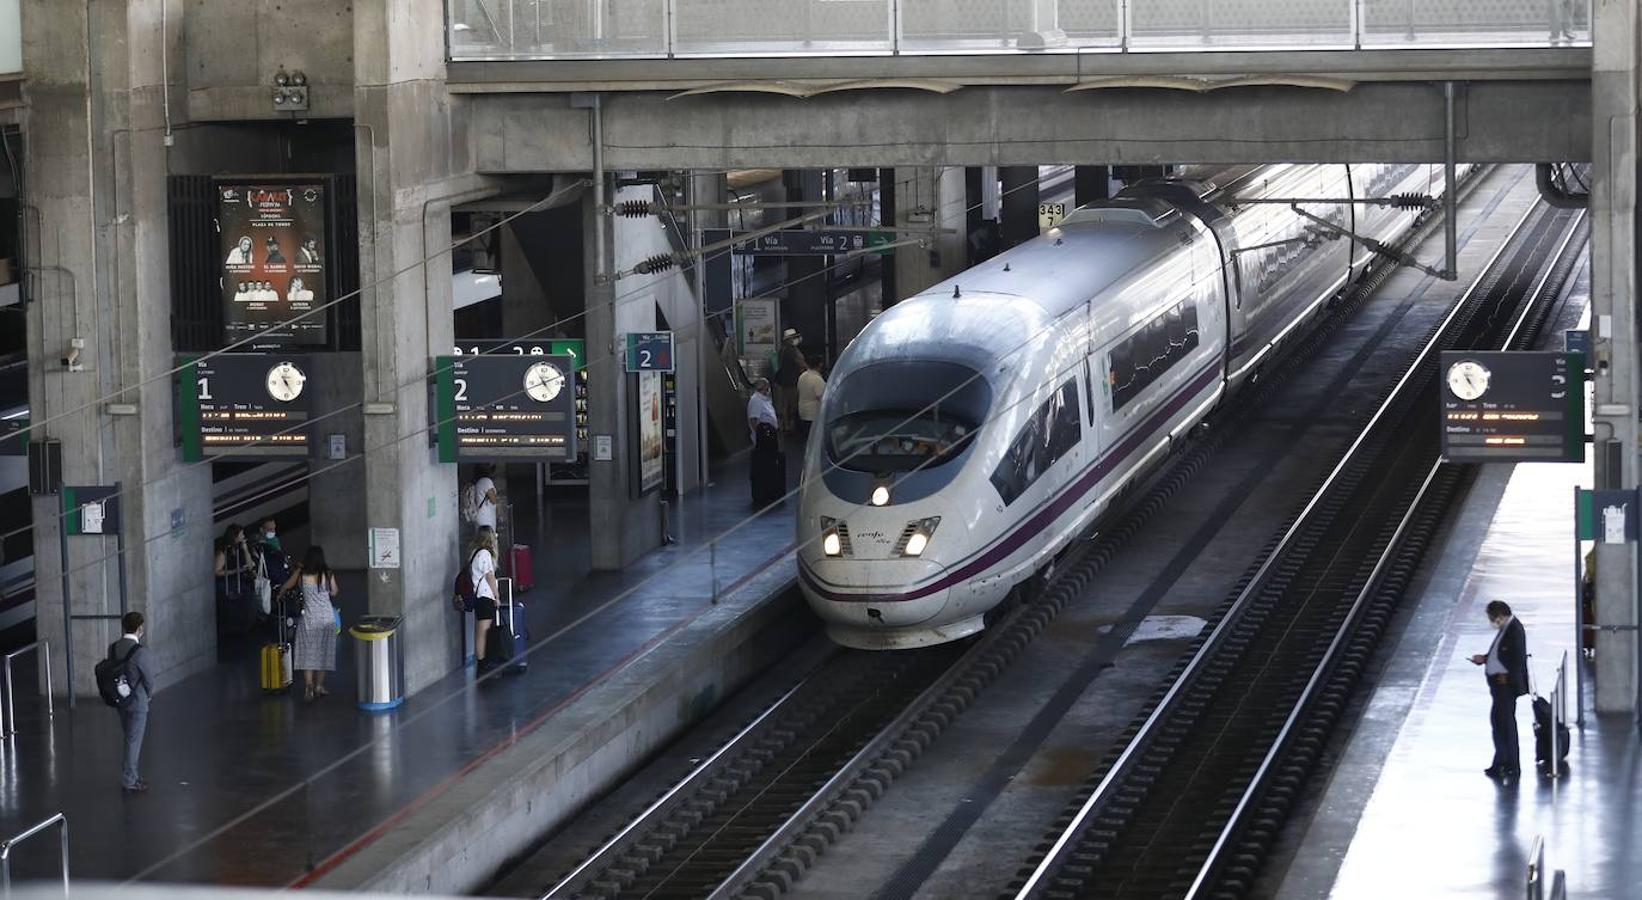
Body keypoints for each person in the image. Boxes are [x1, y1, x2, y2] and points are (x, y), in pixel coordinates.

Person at [1469, 600, 1529, 780]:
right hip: (1499, 685)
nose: (1492, 622)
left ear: (1500, 616)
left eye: (1492, 618)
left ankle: (1510, 765)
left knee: (1505, 725)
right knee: (1499, 723)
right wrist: (1486, 659)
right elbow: (1502, 653)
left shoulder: (1514, 630)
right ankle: (1501, 762)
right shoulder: (1507, 628)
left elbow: (1517, 660)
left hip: (1505, 686)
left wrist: (1506, 677)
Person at [281, 545, 340, 701]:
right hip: (326, 619)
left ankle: (309, 686)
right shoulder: (327, 574)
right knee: (324, 653)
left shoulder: (301, 574)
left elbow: (288, 585)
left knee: (308, 653)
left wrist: (280, 593)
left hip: (309, 619)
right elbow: (334, 591)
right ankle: (319, 686)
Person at [110, 611, 154, 795]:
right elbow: (149, 679)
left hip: (121, 699)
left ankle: (133, 776)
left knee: (129, 738)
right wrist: (149, 695)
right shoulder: (140, 652)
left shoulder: (114, 648)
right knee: (133, 742)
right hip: (138, 702)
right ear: (140, 628)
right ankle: (130, 780)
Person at [469, 528, 501, 670]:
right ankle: (482, 662)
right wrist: (496, 595)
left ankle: (483, 659)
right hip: (485, 597)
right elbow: (489, 576)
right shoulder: (484, 554)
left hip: (480, 597)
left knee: (482, 630)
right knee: (483, 631)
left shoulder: (475, 553)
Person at [214, 524, 254, 634]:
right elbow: (217, 571)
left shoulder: (239, 549)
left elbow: (250, 566)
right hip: (227, 582)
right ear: (235, 537)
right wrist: (234, 571)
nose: (243, 536)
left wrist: (245, 549)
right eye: (241, 535)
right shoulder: (223, 551)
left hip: (239, 579)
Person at [774, 328, 805, 433]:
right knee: (793, 404)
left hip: (783, 381)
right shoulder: (791, 351)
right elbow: (800, 363)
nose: (797, 339)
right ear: (790, 339)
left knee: (784, 404)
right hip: (792, 382)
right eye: (795, 337)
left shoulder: (782, 350)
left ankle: (785, 425)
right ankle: (791, 426)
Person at [796, 354, 826, 440]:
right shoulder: (817, 379)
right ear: (820, 365)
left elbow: (798, 391)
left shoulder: (802, 376)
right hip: (813, 414)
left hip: (803, 412)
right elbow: (822, 397)